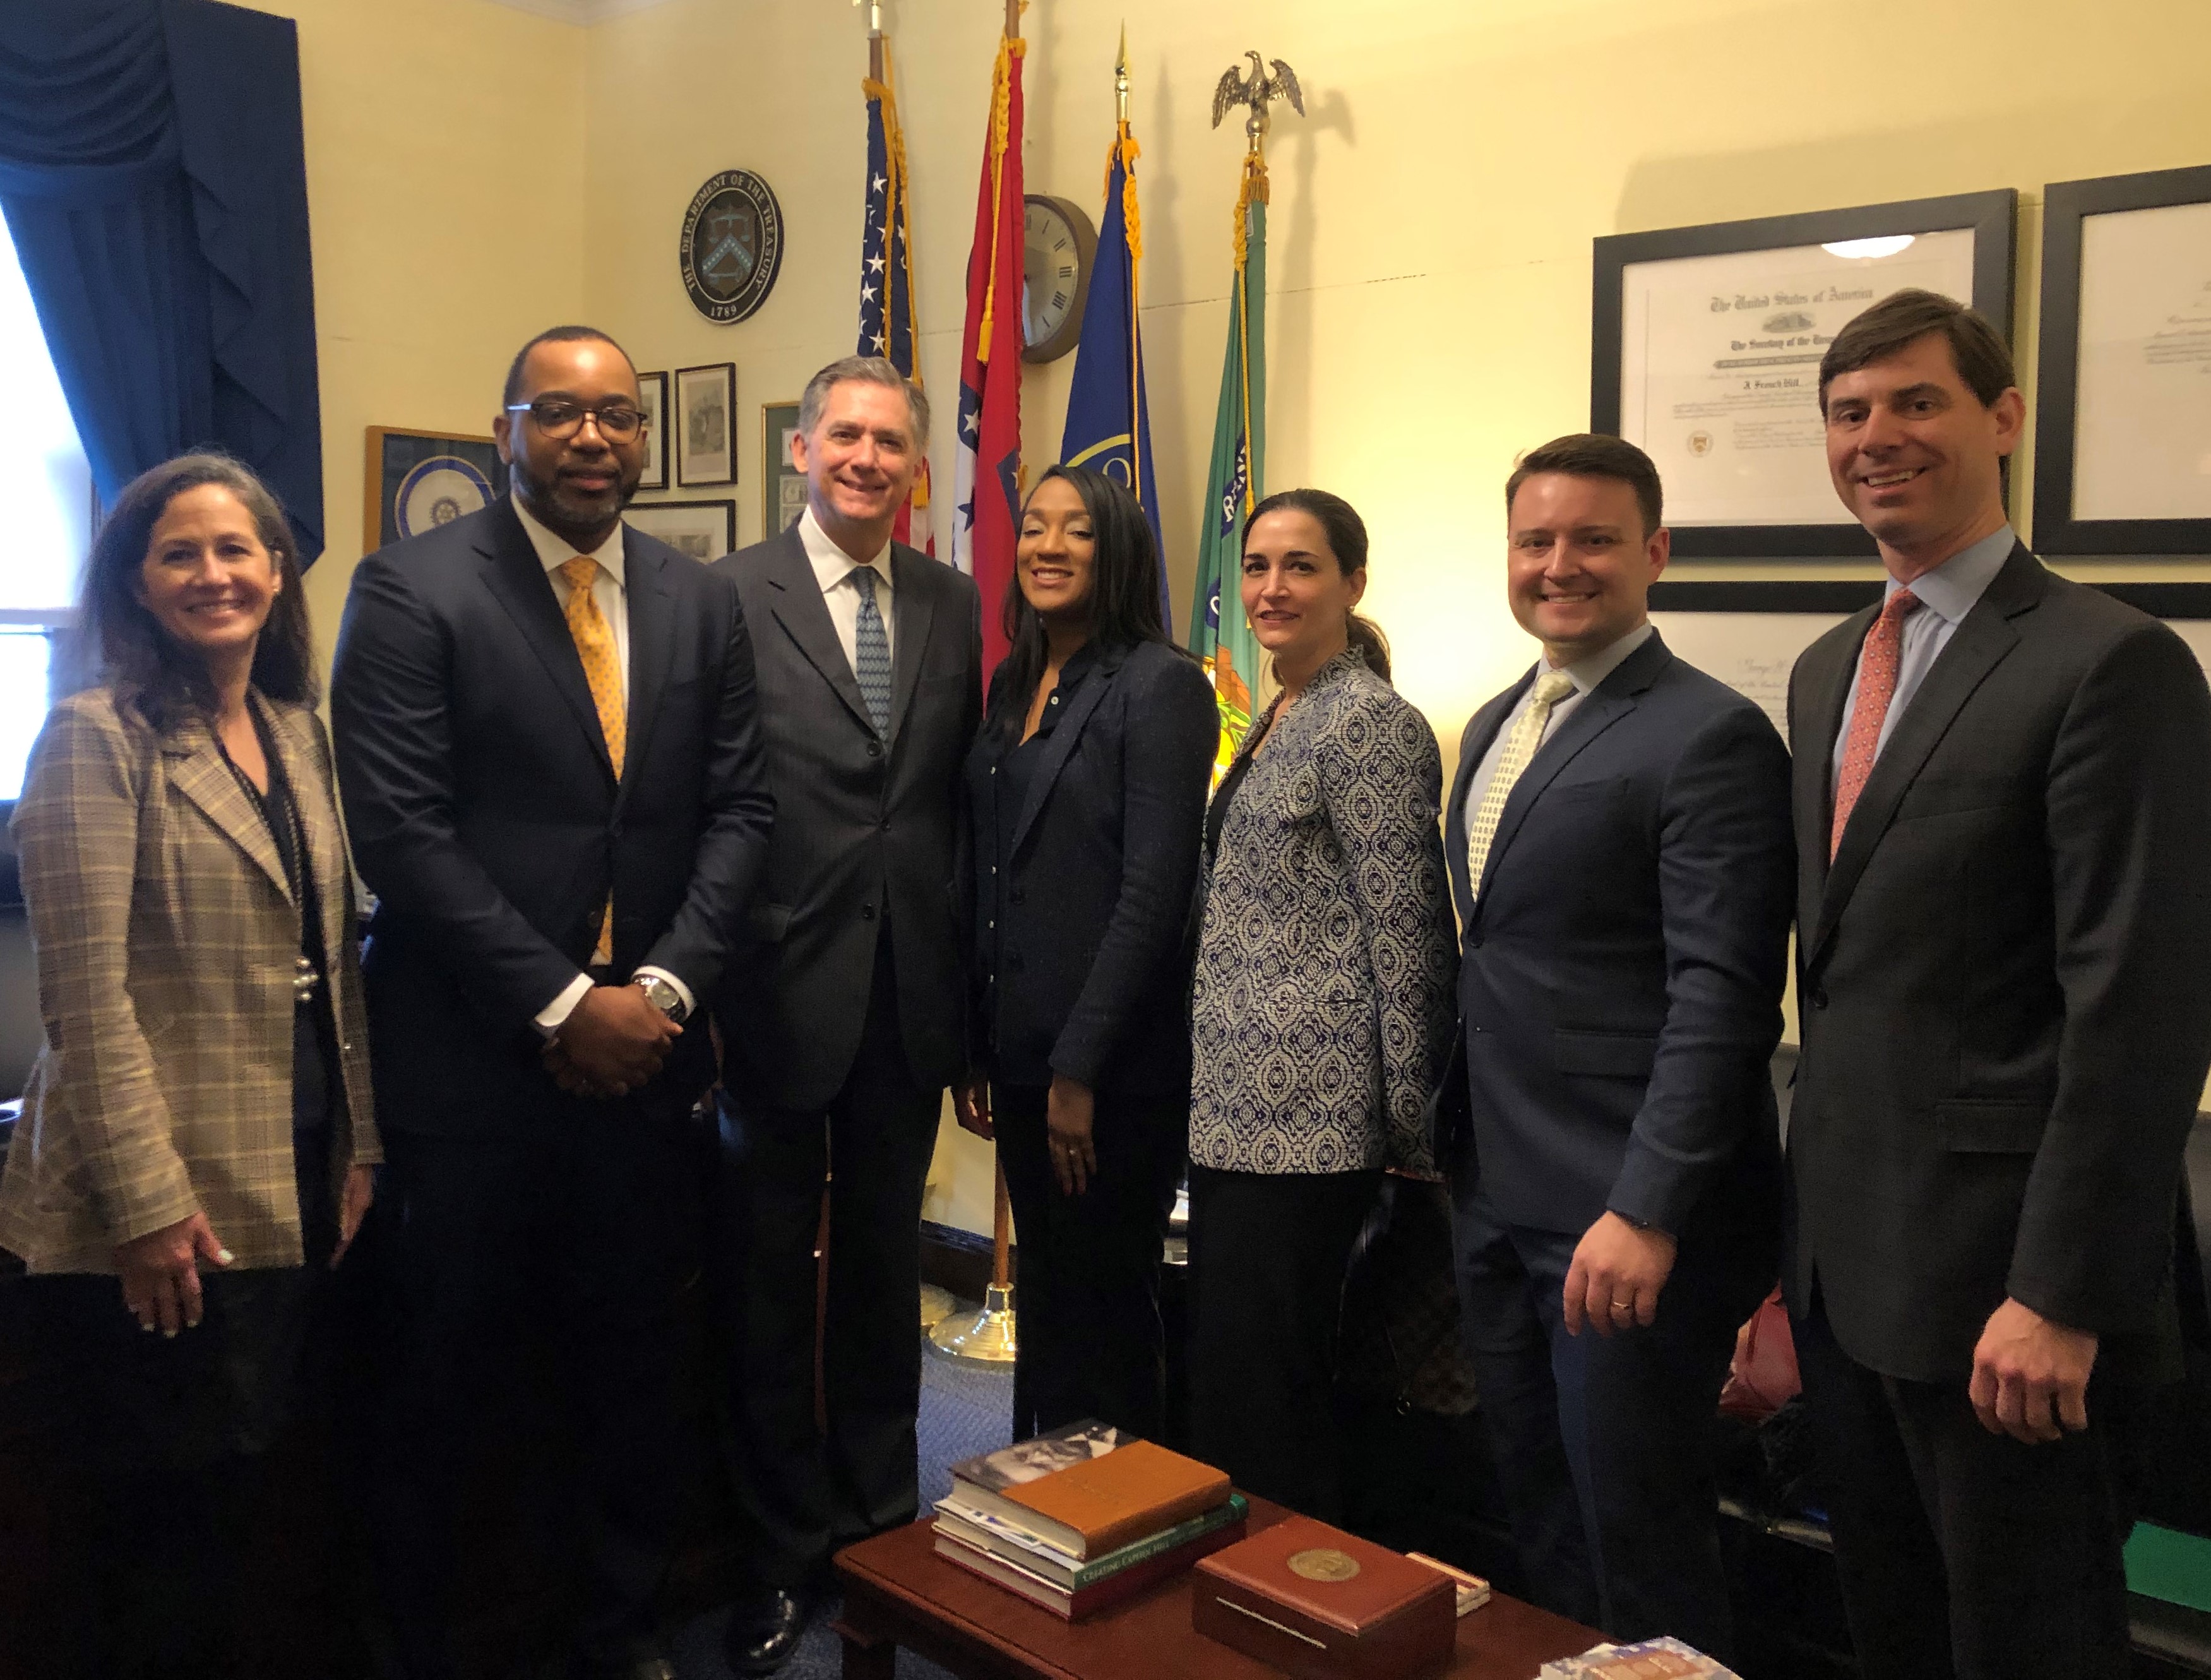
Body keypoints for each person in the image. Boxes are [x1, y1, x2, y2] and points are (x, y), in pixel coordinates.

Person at [330, 325, 773, 1680]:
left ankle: (618, 1627)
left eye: (619, 418)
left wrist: (659, 987)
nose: (595, 439)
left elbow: (742, 812)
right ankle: (421, 1643)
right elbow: (403, 835)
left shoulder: (698, 600)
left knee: (632, 1368)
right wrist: (560, 1003)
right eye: (562, 413)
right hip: (472, 1077)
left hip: (648, 1067)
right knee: (444, 1381)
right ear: (505, 426)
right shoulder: (410, 591)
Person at [1784, 289, 2211, 1680]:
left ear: (2002, 418)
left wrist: (2062, 1294)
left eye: (1915, 402)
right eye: (1849, 412)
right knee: (1889, 1633)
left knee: (2029, 1649)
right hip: (1850, 1278)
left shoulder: (2109, 661)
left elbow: (2138, 1006)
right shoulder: (1820, 670)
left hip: (2003, 1302)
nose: (1876, 436)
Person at [0, 454, 380, 1678]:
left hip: (296, 1157)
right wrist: (147, 1200)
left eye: (237, 549)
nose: (214, 573)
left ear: (278, 571)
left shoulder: (292, 730)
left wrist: (360, 1141)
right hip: (162, 1194)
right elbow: (84, 997)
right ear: (137, 581)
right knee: (162, 1521)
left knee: (259, 1486)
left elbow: (336, 956)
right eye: (180, 552)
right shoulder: (93, 735)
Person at [1434, 434, 1792, 1653]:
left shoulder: (1711, 734)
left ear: (1653, 552)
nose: (1559, 565)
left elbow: (1723, 999)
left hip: (1622, 1218)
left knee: (1636, 1532)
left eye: (1592, 539)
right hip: (1494, 1189)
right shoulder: (1494, 722)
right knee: (1535, 1505)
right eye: (1535, 540)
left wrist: (1646, 1209)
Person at [709, 355, 982, 1674]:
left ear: (915, 464)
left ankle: (879, 1529)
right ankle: (775, 1551)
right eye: (847, 435)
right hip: (768, 988)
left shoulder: (949, 596)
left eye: (891, 441)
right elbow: (701, 797)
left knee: (885, 1279)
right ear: (804, 450)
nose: (868, 457)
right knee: (766, 1288)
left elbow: (945, 812)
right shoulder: (727, 596)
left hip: (906, 996)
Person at [1186, 488, 1458, 1522]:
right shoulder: (1282, 710)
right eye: (1255, 566)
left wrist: (1410, 1130)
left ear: (1351, 582)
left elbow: (1410, 937)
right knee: (1237, 1387)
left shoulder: (1371, 725)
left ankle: (1289, 1605)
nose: (1270, 587)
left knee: (1273, 1398)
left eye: (1299, 566)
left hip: (1314, 1124)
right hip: (1236, 1112)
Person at [954, 464, 1215, 1443]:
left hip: (1108, 1073)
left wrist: (1078, 1070)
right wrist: (976, 1047)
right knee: (1051, 1304)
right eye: (1033, 528)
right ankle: (1037, 1503)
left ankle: (1114, 1530)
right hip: (1016, 1055)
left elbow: (1154, 893)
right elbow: (989, 868)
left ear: (1119, 553)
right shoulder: (1015, 678)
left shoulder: (1162, 685)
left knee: (1105, 1306)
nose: (1046, 547)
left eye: (1076, 531)